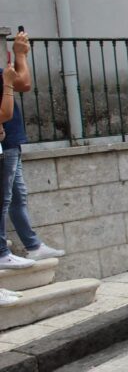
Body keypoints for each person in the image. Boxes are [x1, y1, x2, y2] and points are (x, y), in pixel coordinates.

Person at [0, 31, 66, 270]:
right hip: (6, 144)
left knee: (17, 196)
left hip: (9, 142)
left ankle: (33, 245)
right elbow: (23, 84)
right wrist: (20, 55)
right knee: (5, 199)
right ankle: (4, 252)